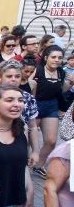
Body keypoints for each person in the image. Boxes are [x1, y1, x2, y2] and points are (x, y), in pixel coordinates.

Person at [33, 45, 72, 178]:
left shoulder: (61, 72)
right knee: (28, 139)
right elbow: (31, 88)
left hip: (52, 106)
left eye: (60, 58)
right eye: (53, 57)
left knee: (51, 141)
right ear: (46, 58)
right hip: (36, 105)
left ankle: (38, 165)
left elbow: (62, 91)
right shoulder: (38, 70)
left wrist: (70, 83)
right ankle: (24, 163)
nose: (57, 60)